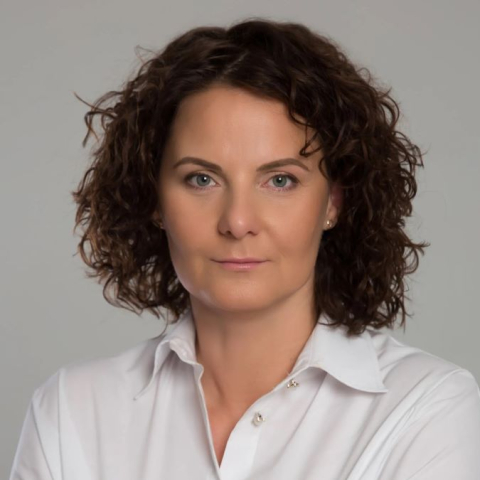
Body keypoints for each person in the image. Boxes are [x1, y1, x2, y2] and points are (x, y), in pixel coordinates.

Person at [9, 17, 480, 480]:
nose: (237, 222)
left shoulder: (424, 409)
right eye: (201, 179)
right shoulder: (71, 414)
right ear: (154, 200)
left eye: (280, 180)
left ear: (334, 201)